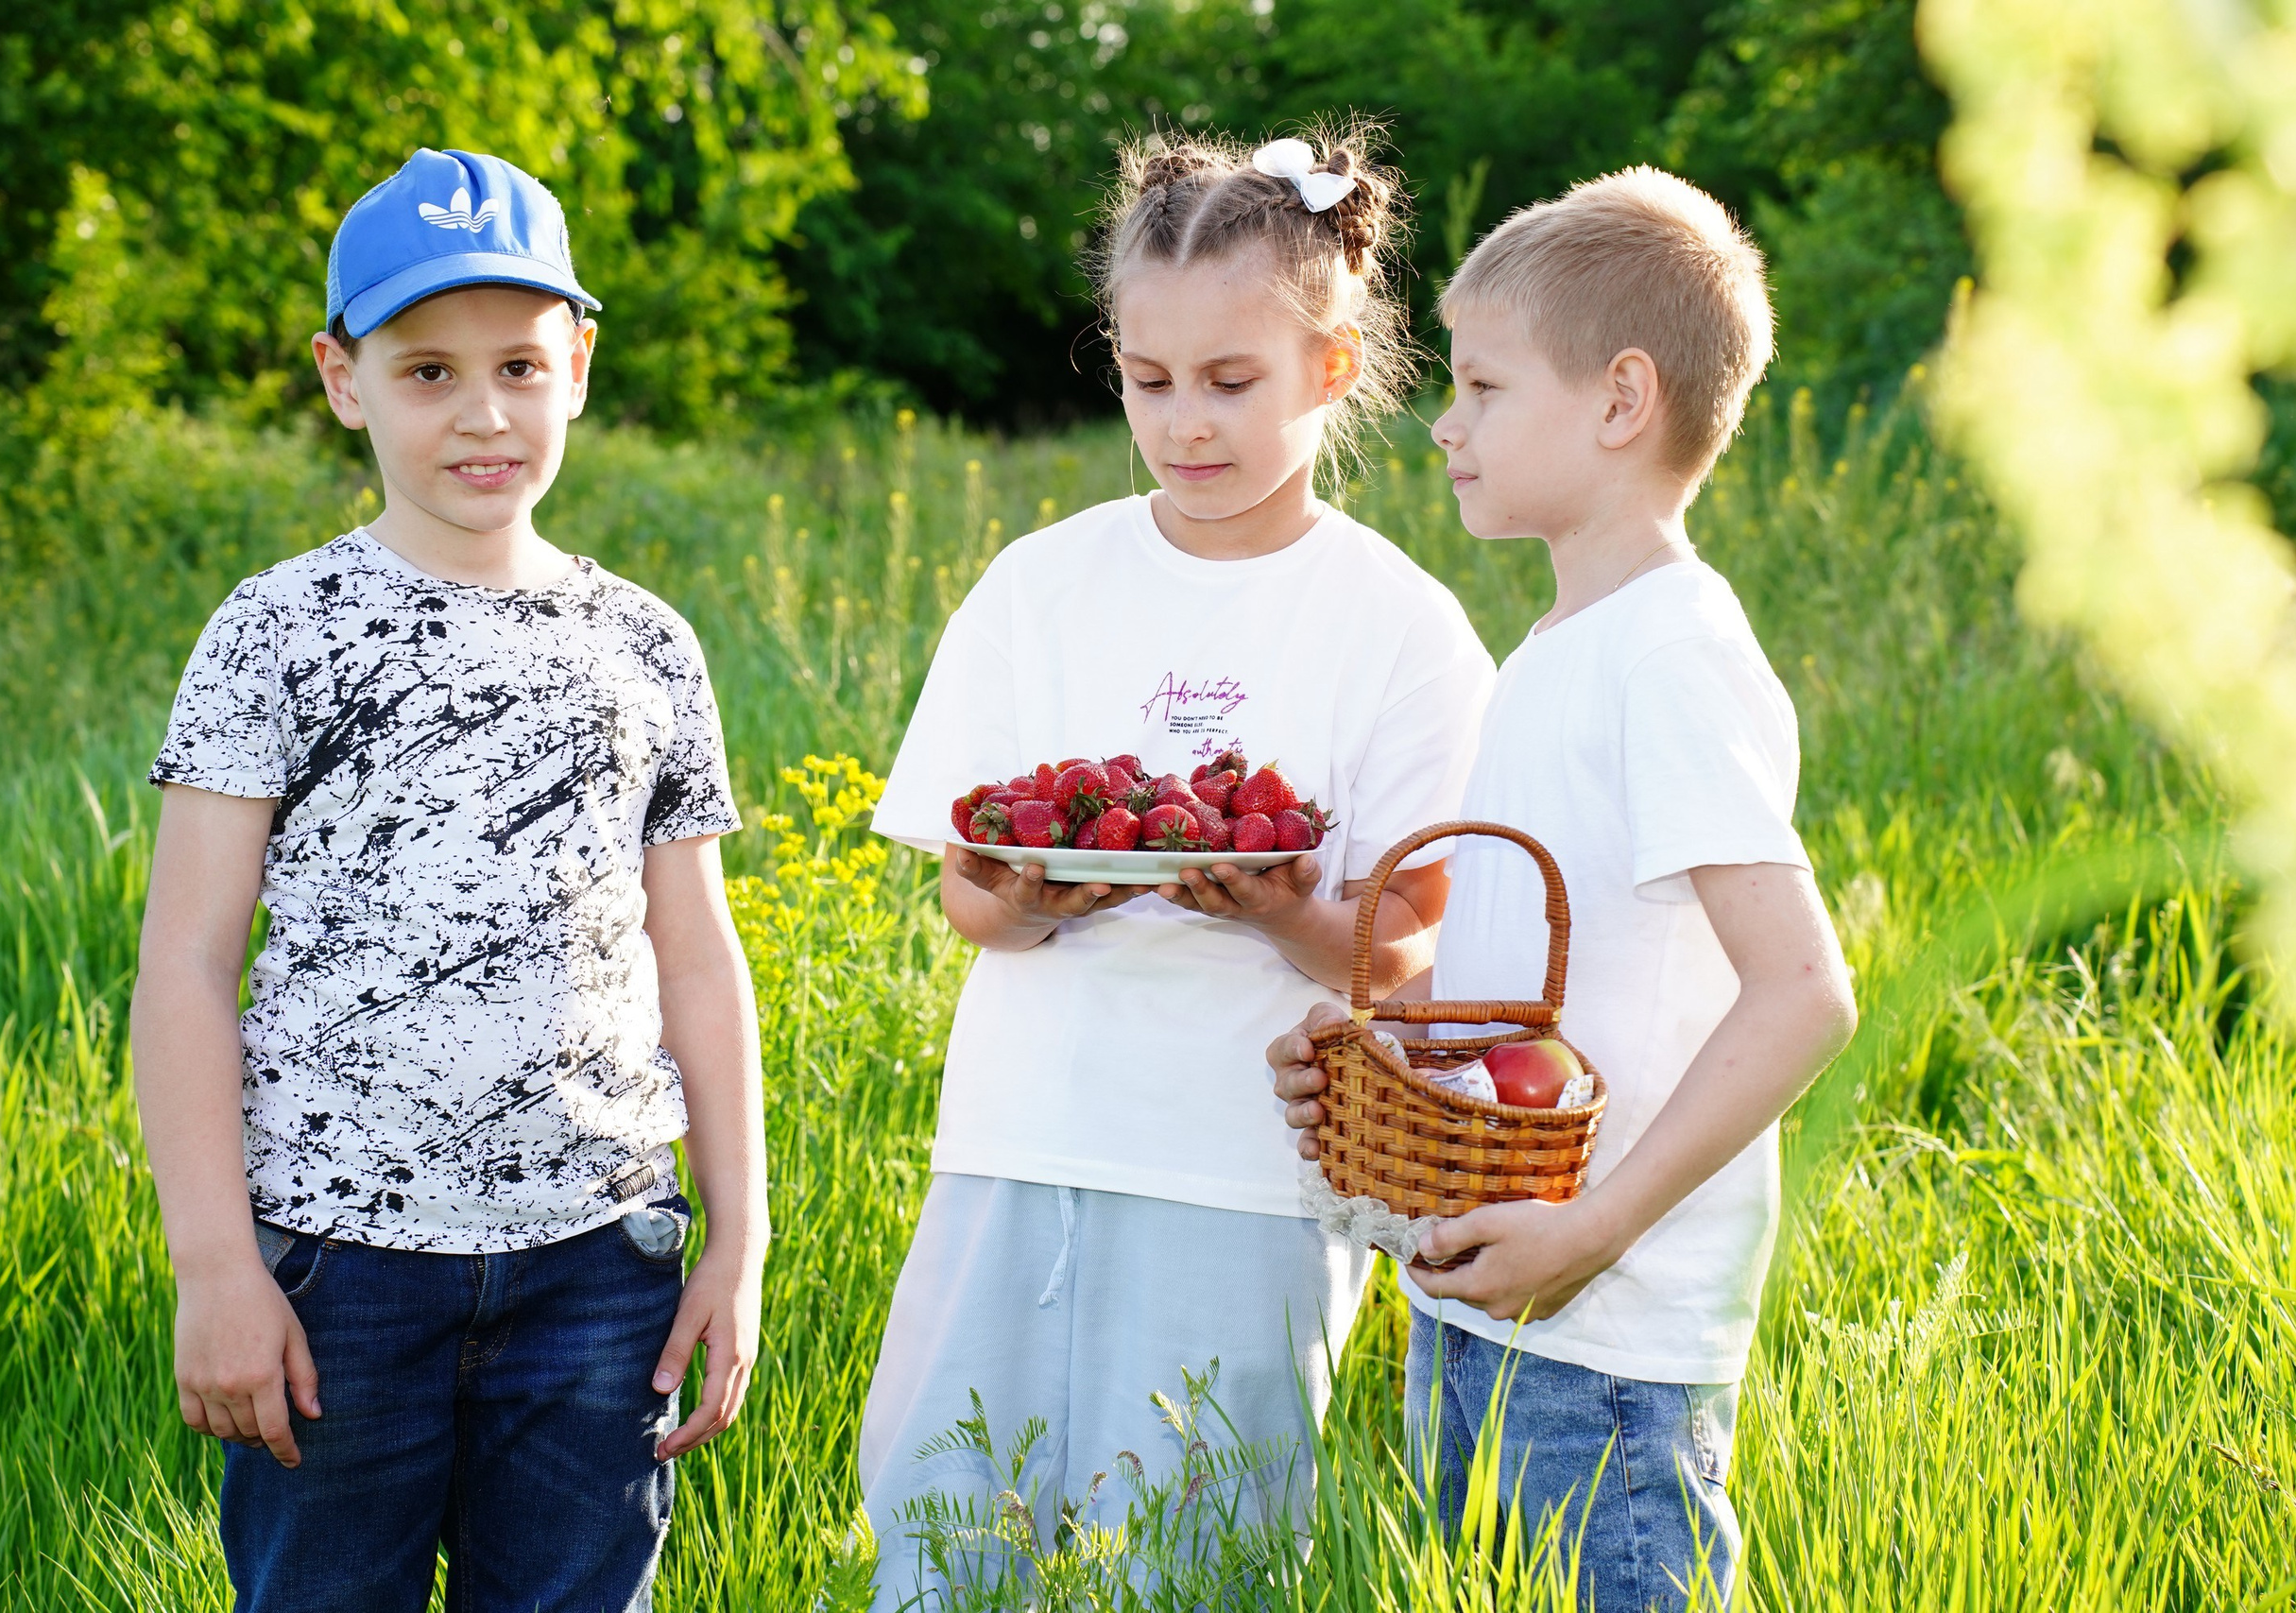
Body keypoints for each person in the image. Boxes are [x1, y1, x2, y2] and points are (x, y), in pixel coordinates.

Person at [858, 129, 1496, 1605]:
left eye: (1231, 383)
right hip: (1024, 1136)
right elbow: (970, 898)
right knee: (955, 1535)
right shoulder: (1042, 586)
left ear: (1331, 372)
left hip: (1249, 1174)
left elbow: (1397, 947)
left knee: (1196, 1553)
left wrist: (1288, 916)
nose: (1184, 423)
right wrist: (1019, 897)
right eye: (1150, 382)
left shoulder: (1397, 628)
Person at [129, 147, 766, 1613]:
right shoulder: (278, 629)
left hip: (600, 1264)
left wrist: (741, 1233)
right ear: (343, 378)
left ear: (579, 367)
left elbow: (696, 955)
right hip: (336, 1275)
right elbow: (185, 965)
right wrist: (214, 1264)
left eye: (519, 366)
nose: (482, 413)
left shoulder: (647, 643)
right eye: (427, 372)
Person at [1268, 166, 1859, 1612]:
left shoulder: (1671, 657)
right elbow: (1542, 974)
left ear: (1619, 402)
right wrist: (1380, 1054)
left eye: (1481, 387)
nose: (1445, 423)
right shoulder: (1559, 648)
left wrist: (1596, 1230)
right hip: (1488, 1293)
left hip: (1605, 1343)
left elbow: (1804, 995)